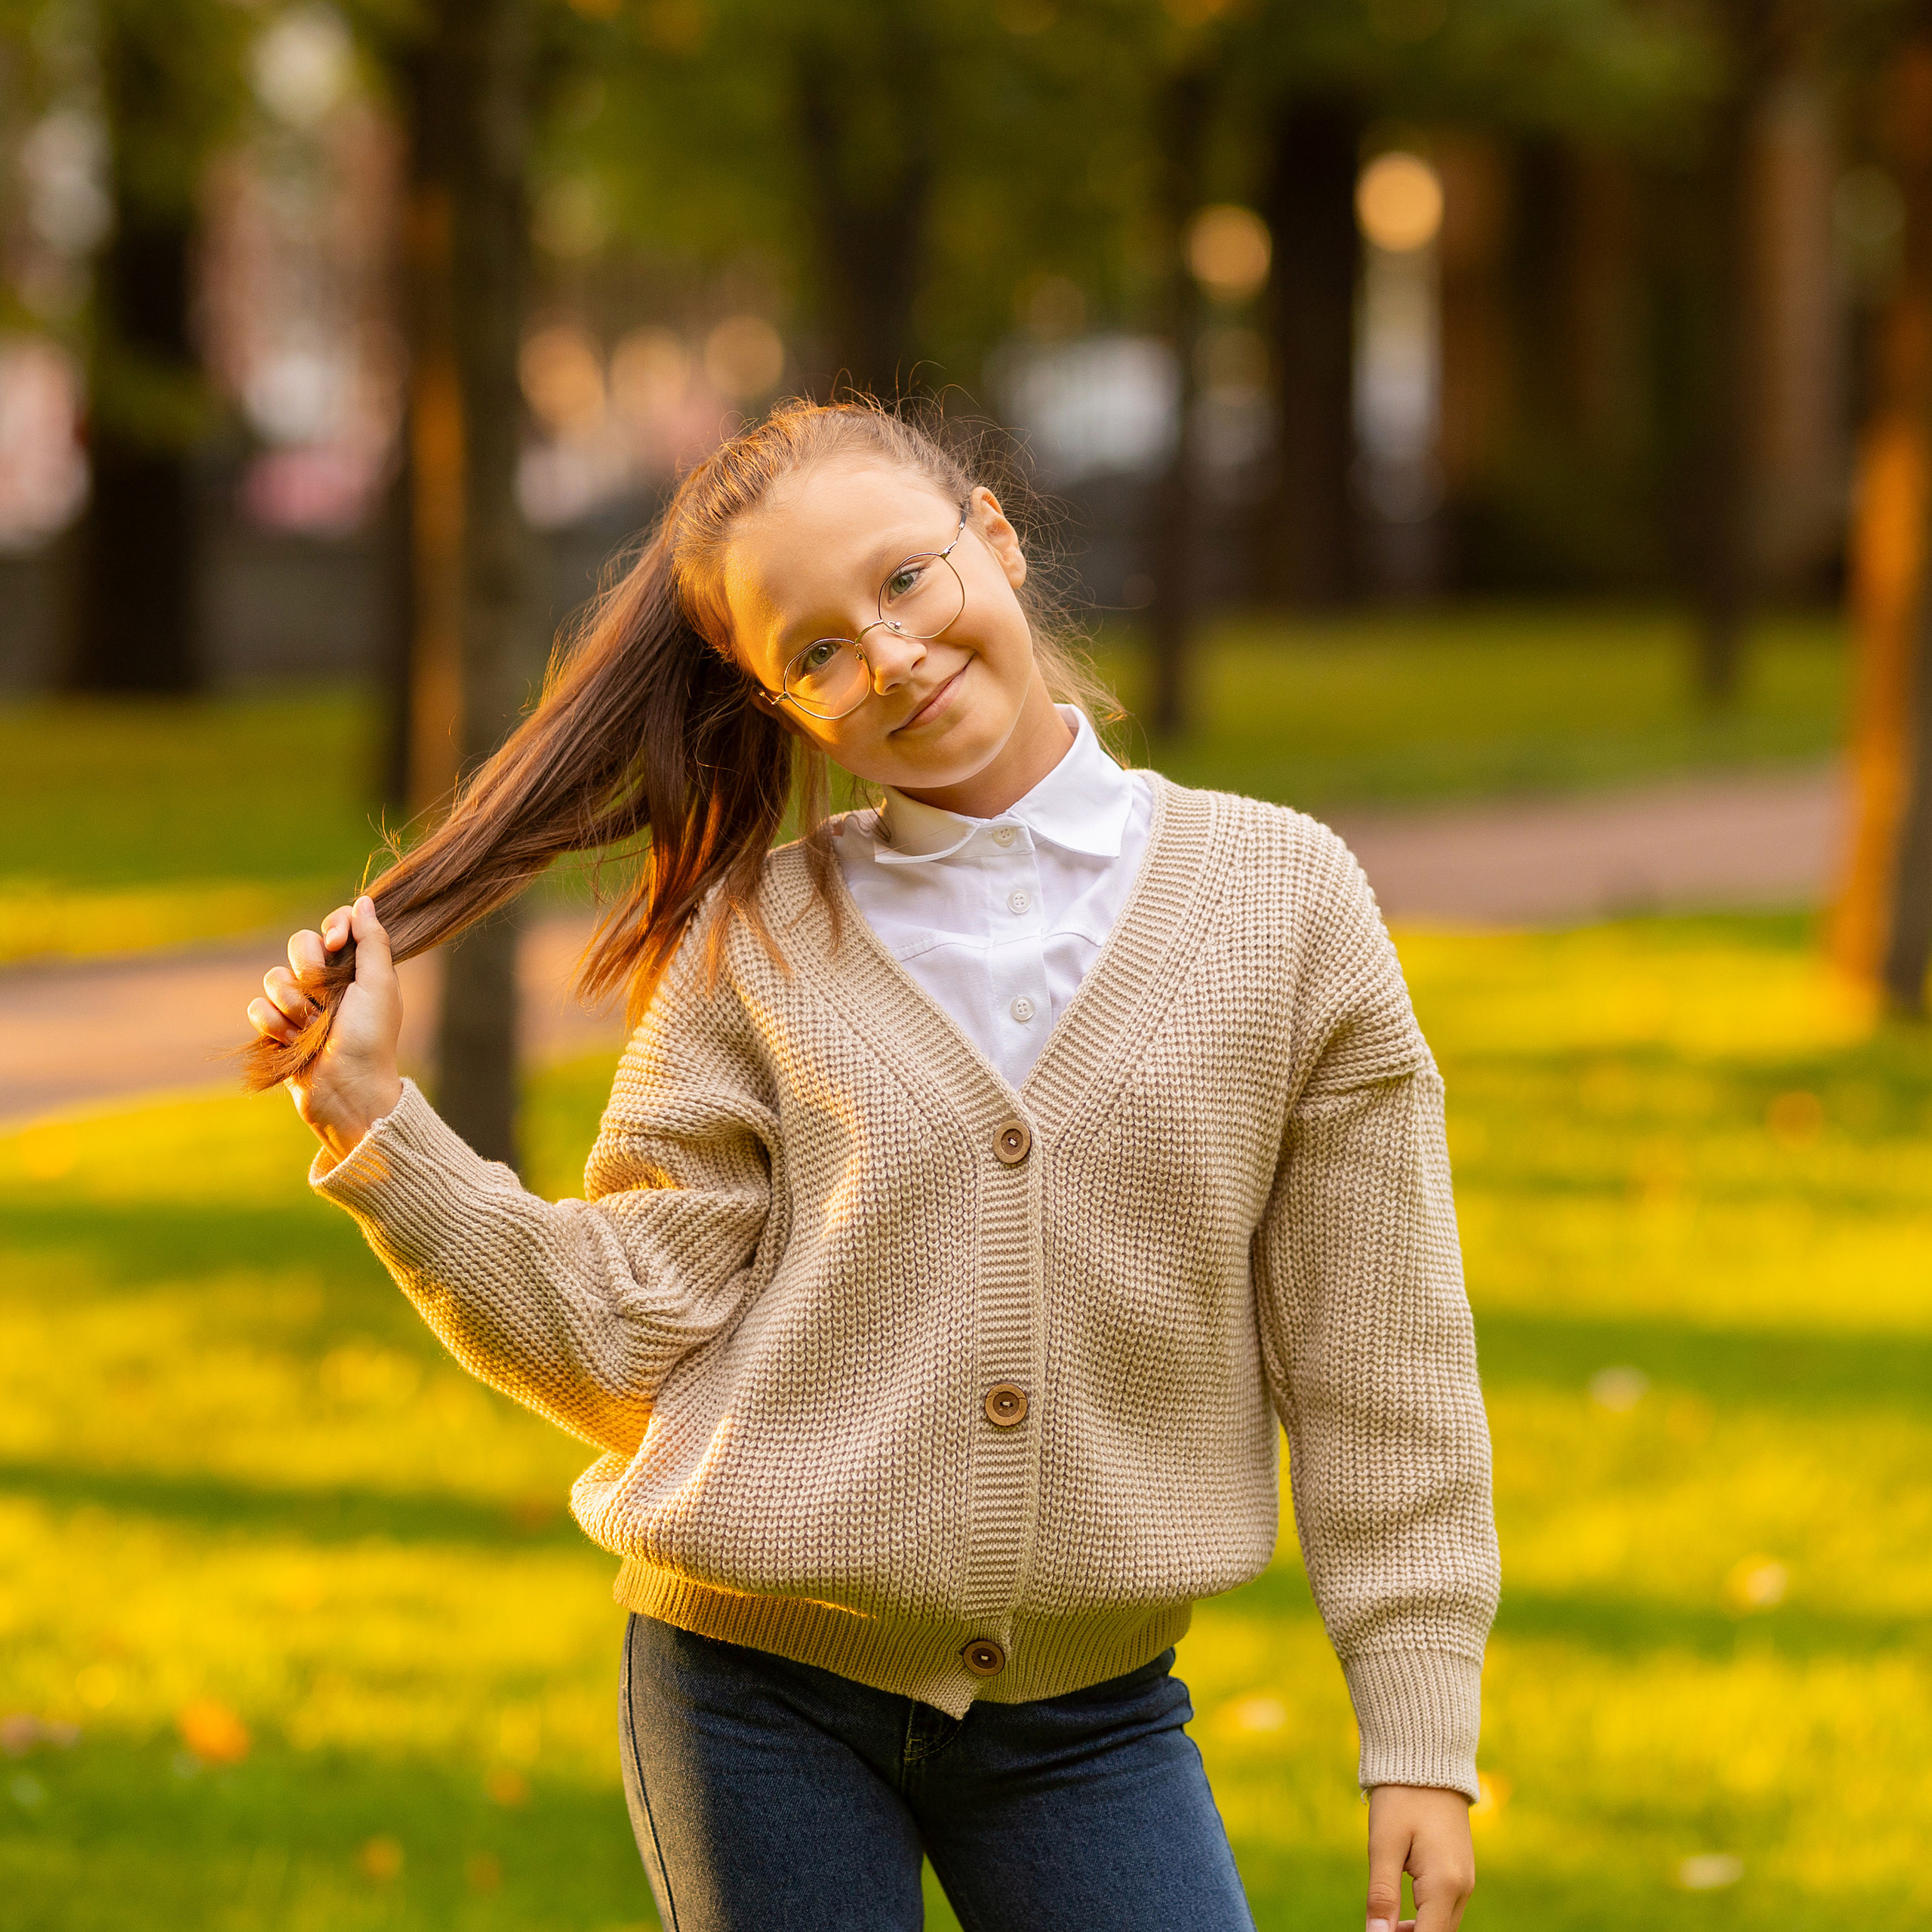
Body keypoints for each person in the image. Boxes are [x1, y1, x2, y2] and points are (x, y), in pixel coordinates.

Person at [243, 398, 1498, 1932]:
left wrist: (1419, 1739)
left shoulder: (1285, 901)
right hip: (749, 1697)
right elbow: (628, 1334)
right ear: (777, 702)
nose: (887, 657)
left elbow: (1386, 1365)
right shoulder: (752, 941)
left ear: (994, 532)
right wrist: (378, 1124)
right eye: (816, 650)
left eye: (904, 579)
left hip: (1087, 1716)